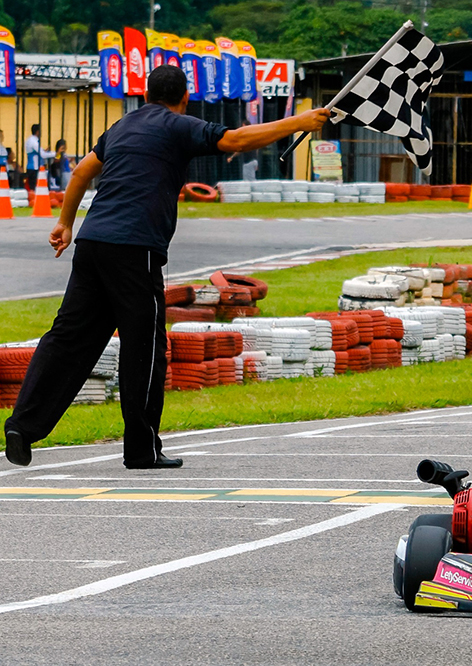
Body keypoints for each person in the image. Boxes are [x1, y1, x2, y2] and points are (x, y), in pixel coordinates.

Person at [3, 65, 331, 469]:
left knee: (67, 339)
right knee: (144, 348)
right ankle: (141, 450)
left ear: (144, 94)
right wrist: (301, 120)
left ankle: (22, 426)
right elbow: (238, 139)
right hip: (135, 248)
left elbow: (83, 171)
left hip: (91, 243)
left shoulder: (122, 127)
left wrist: (65, 222)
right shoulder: (177, 125)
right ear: (185, 98)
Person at [24, 123, 55, 191]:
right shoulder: (33, 141)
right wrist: (55, 154)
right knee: (35, 188)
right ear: (37, 132)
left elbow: (38, 152)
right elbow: (42, 155)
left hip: (32, 167)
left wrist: (44, 151)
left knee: (34, 187)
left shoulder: (30, 140)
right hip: (34, 168)